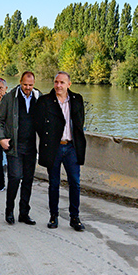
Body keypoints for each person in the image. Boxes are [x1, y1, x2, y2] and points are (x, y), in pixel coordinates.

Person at [35, 71, 87, 231]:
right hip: (54, 147)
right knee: (54, 184)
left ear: (69, 84)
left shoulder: (77, 100)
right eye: (56, 82)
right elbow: (38, 124)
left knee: (75, 183)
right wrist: (48, 140)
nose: (58, 85)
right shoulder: (45, 101)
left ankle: (75, 217)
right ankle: (53, 216)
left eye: (62, 82)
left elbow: (79, 123)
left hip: (71, 147)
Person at [0, 71, 41, 225]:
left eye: (30, 85)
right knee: (14, 177)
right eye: (25, 84)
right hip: (15, 146)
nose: (27, 88)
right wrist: (1, 139)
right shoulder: (9, 98)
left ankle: (24, 213)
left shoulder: (39, 97)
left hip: (32, 147)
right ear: (20, 81)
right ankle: (9, 211)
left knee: (28, 180)